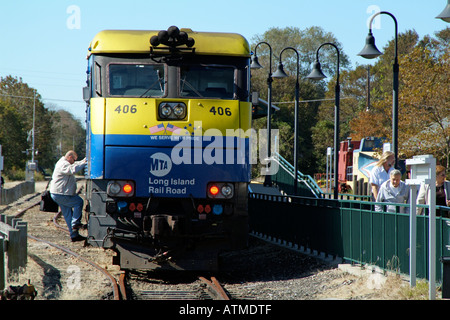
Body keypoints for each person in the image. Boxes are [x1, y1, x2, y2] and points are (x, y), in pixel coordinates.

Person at [50, 150, 87, 242]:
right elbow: (72, 169)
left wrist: (83, 161)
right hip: (60, 193)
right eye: (74, 160)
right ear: (70, 157)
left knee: (68, 215)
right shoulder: (63, 164)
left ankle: (74, 235)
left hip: (59, 193)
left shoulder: (65, 163)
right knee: (78, 202)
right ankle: (76, 223)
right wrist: (84, 164)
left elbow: (74, 165)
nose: (74, 162)